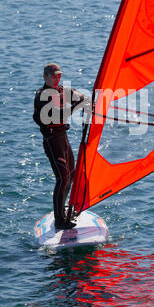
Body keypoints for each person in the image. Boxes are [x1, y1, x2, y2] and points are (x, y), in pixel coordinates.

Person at [33, 63, 90, 230]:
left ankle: (63, 211)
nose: (57, 79)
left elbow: (80, 98)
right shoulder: (41, 96)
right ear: (45, 77)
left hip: (62, 137)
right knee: (62, 177)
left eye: (59, 76)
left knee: (71, 174)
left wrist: (86, 102)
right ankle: (59, 220)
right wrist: (76, 106)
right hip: (52, 140)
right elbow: (59, 116)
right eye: (53, 76)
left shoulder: (62, 91)